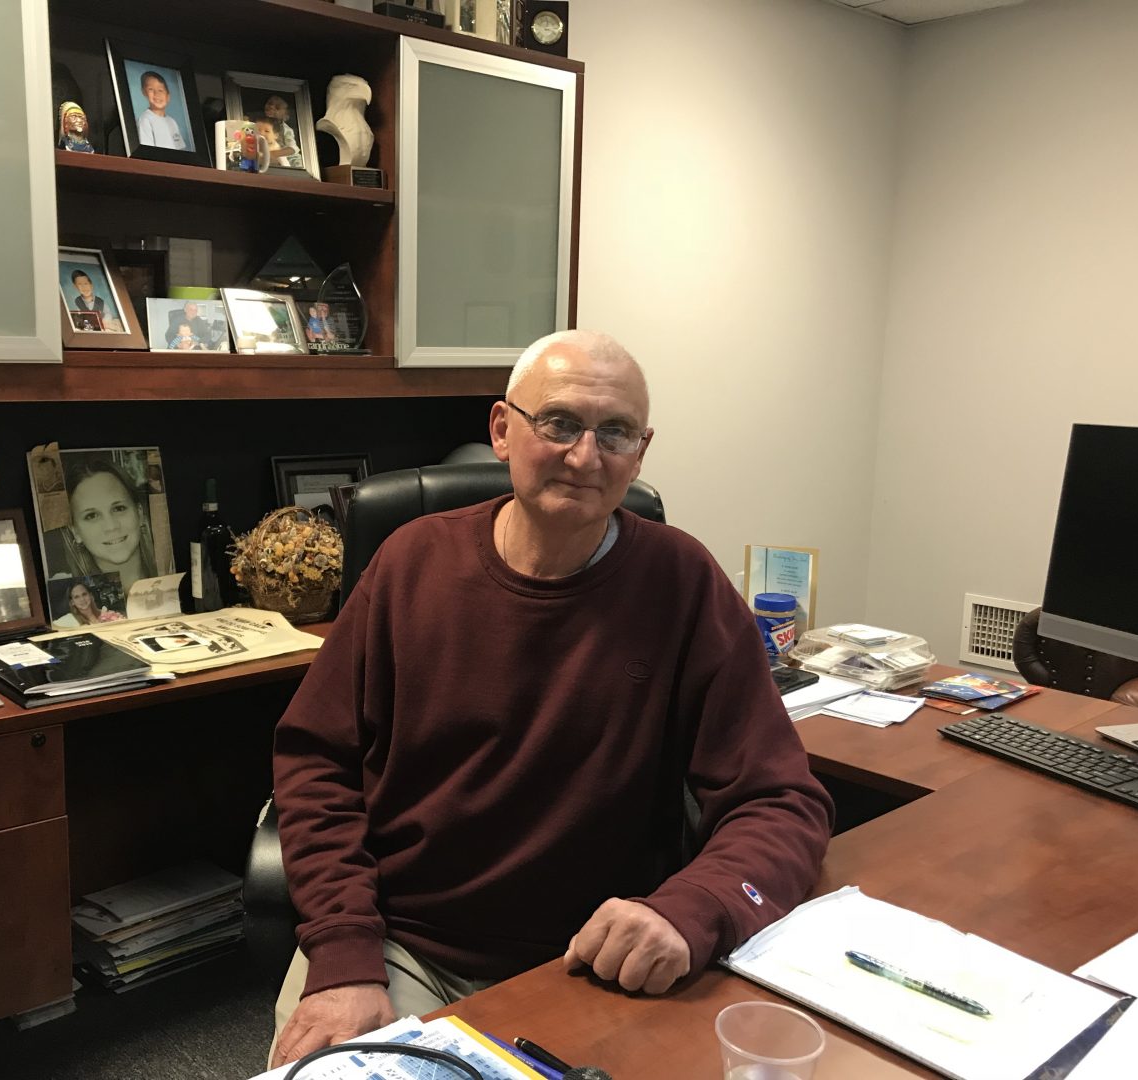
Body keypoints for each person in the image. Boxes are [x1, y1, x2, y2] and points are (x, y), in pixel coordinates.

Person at [268, 329, 834, 1068]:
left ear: (642, 450)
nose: (586, 456)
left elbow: (782, 799)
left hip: (596, 962)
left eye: (616, 432)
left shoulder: (684, 585)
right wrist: (344, 953)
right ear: (503, 431)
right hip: (401, 946)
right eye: (560, 423)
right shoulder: (410, 565)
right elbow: (317, 765)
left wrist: (690, 911)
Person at [57, 459, 157, 598]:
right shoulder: (67, 613)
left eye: (118, 508)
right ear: (75, 531)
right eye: (91, 516)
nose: (111, 526)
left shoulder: (177, 584)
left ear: (139, 513)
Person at [137, 70, 186, 150]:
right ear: (144, 92)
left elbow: (180, 149)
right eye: (151, 89)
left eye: (160, 90)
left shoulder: (172, 121)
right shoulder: (145, 120)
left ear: (168, 97)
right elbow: (146, 152)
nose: (157, 94)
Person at [55, 581, 127, 628]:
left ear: (90, 595)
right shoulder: (70, 618)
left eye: (84, 594)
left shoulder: (105, 613)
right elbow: (51, 628)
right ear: (72, 602)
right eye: (77, 597)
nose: (82, 599)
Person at [261, 94, 303, 168]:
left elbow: (293, 149)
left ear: (285, 115)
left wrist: (273, 154)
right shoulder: (261, 125)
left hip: (291, 160)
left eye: (277, 107)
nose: (272, 107)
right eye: (269, 104)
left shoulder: (286, 129)